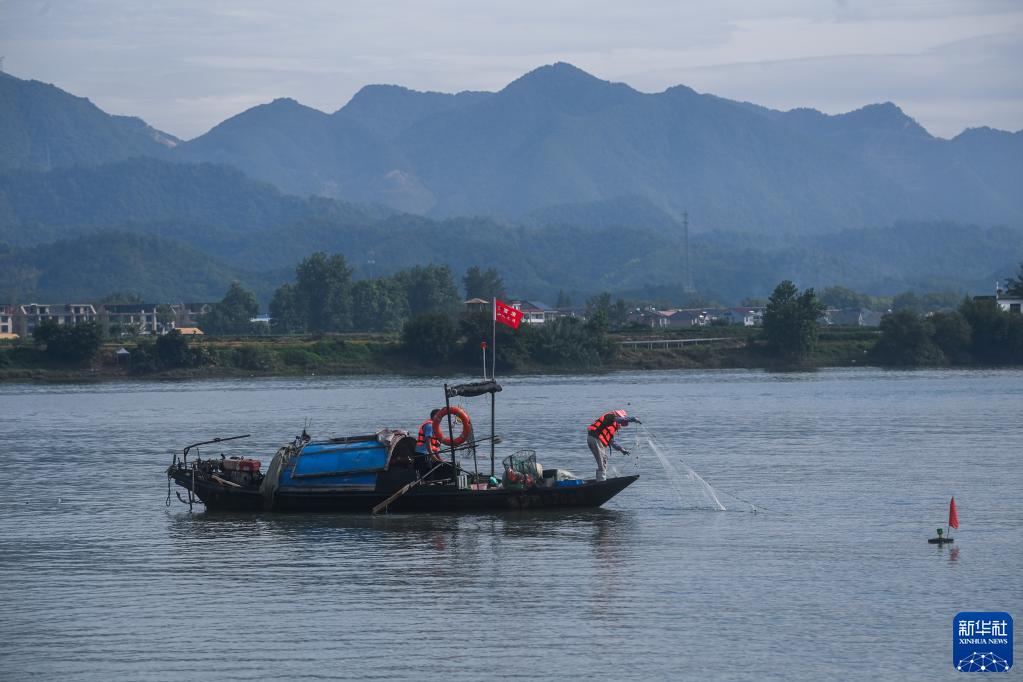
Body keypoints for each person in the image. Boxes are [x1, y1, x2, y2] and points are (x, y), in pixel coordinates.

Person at [587, 409, 640, 481]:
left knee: (603, 459)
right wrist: (633, 419)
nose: (621, 425)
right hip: (595, 439)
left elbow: (612, 441)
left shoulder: (611, 425)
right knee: (602, 461)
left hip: (593, 439)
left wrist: (621, 449)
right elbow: (619, 420)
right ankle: (601, 482)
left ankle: (601, 479)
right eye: (622, 423)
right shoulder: (611, 416)